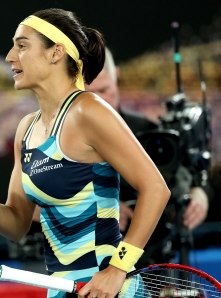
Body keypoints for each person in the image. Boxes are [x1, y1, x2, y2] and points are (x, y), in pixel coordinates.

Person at [0, 8, 170, 298]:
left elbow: (156, 188)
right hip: (63, 290)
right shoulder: (26, 129)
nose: (9, 56)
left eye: (22, 45)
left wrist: (118, 269)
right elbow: (17, 224)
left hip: (109, 290)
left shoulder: (88, 111)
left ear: (56, 53)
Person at [84, 47, 209, 234]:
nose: (99, 101)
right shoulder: (58, 138)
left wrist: (200, 196)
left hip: (149, 253)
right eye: (89, 94)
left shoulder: (147, 131)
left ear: (116, 75)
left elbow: (184, 176)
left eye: (104, 90)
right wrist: (93, 207)